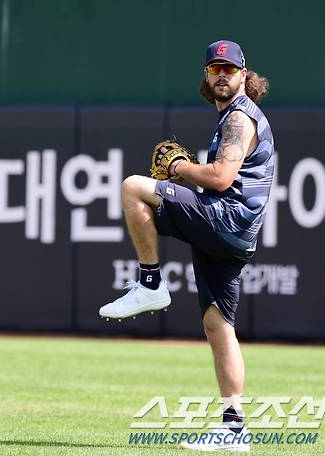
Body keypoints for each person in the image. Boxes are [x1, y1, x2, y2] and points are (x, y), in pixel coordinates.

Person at [100, 40, 274, 452]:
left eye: (230, 70)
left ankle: (150, 283)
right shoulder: (231, 118)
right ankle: (234, 431)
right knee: (219, 326)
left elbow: (219, 179)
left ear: (245, 76)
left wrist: (179, 167)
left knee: (134, 188)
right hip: (234, 233)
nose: (222, 76)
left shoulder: (239, 118)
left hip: (225, 218)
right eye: (214, 69)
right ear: (206, 76)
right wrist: (190, 174)